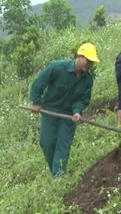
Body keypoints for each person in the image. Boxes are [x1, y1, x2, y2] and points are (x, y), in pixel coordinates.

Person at [29, 43, 100, 178]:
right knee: (47, 143)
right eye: (88, 61)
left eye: (92, 62)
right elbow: (40, 82)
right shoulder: (57, 67)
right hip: (50, 110)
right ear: (79, 57)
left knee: (63, 146)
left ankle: (59, 178)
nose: (90, 64)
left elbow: (83, 99)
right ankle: (56, 172)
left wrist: (77, 111)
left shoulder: (88, 80)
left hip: (68, 115)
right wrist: (36, 102)